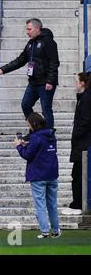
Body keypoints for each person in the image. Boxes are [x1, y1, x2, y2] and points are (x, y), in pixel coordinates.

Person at [0, 18, 60, 130]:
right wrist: (3, 69)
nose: (27, 32)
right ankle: (35, 129)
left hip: (45, 83)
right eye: (27, 29)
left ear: (37, 28)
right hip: (33, 82)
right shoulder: (30, 43)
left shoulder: (48, 42)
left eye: (29, 29)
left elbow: (54, 62)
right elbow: (20, 60)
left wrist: (50, 81)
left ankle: (48, 135)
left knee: (46, 109)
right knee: (25, 105)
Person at [14, 112, 61, 239]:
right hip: (52, 174)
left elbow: (27, 155)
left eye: (28, 124)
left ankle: (45, 231)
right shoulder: (50, 135)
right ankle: (56, 230)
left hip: (38, 175)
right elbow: (41, 150)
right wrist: (26, 145)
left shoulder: (35, 137)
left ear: (34, 123)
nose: (28, 127)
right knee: (52, 204)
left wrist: (19, 147)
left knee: (40, 205)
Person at [62, 72, 91, 215]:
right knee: (77, 174)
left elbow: (85, 121)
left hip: (83, 145)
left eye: (77, 81)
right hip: (81, 144)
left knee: (78, 175)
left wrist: (76, 134)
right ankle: (76, 203)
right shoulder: (84, 98)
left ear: (83, 83)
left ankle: (77, 204)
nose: (75, 84)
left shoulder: (86, 99)